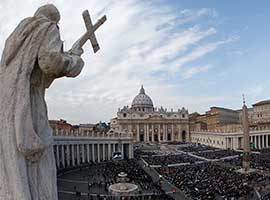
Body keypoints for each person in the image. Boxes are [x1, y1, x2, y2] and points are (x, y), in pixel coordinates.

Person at [0, 4, 84, 200]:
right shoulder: (47, 27)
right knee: (40, 169)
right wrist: (75, 60)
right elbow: (50, 63)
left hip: (5, 111)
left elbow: (40, 76)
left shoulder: (14, 41)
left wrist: (68, 53)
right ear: (55, 20)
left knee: (13, 169)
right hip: (28, 107)